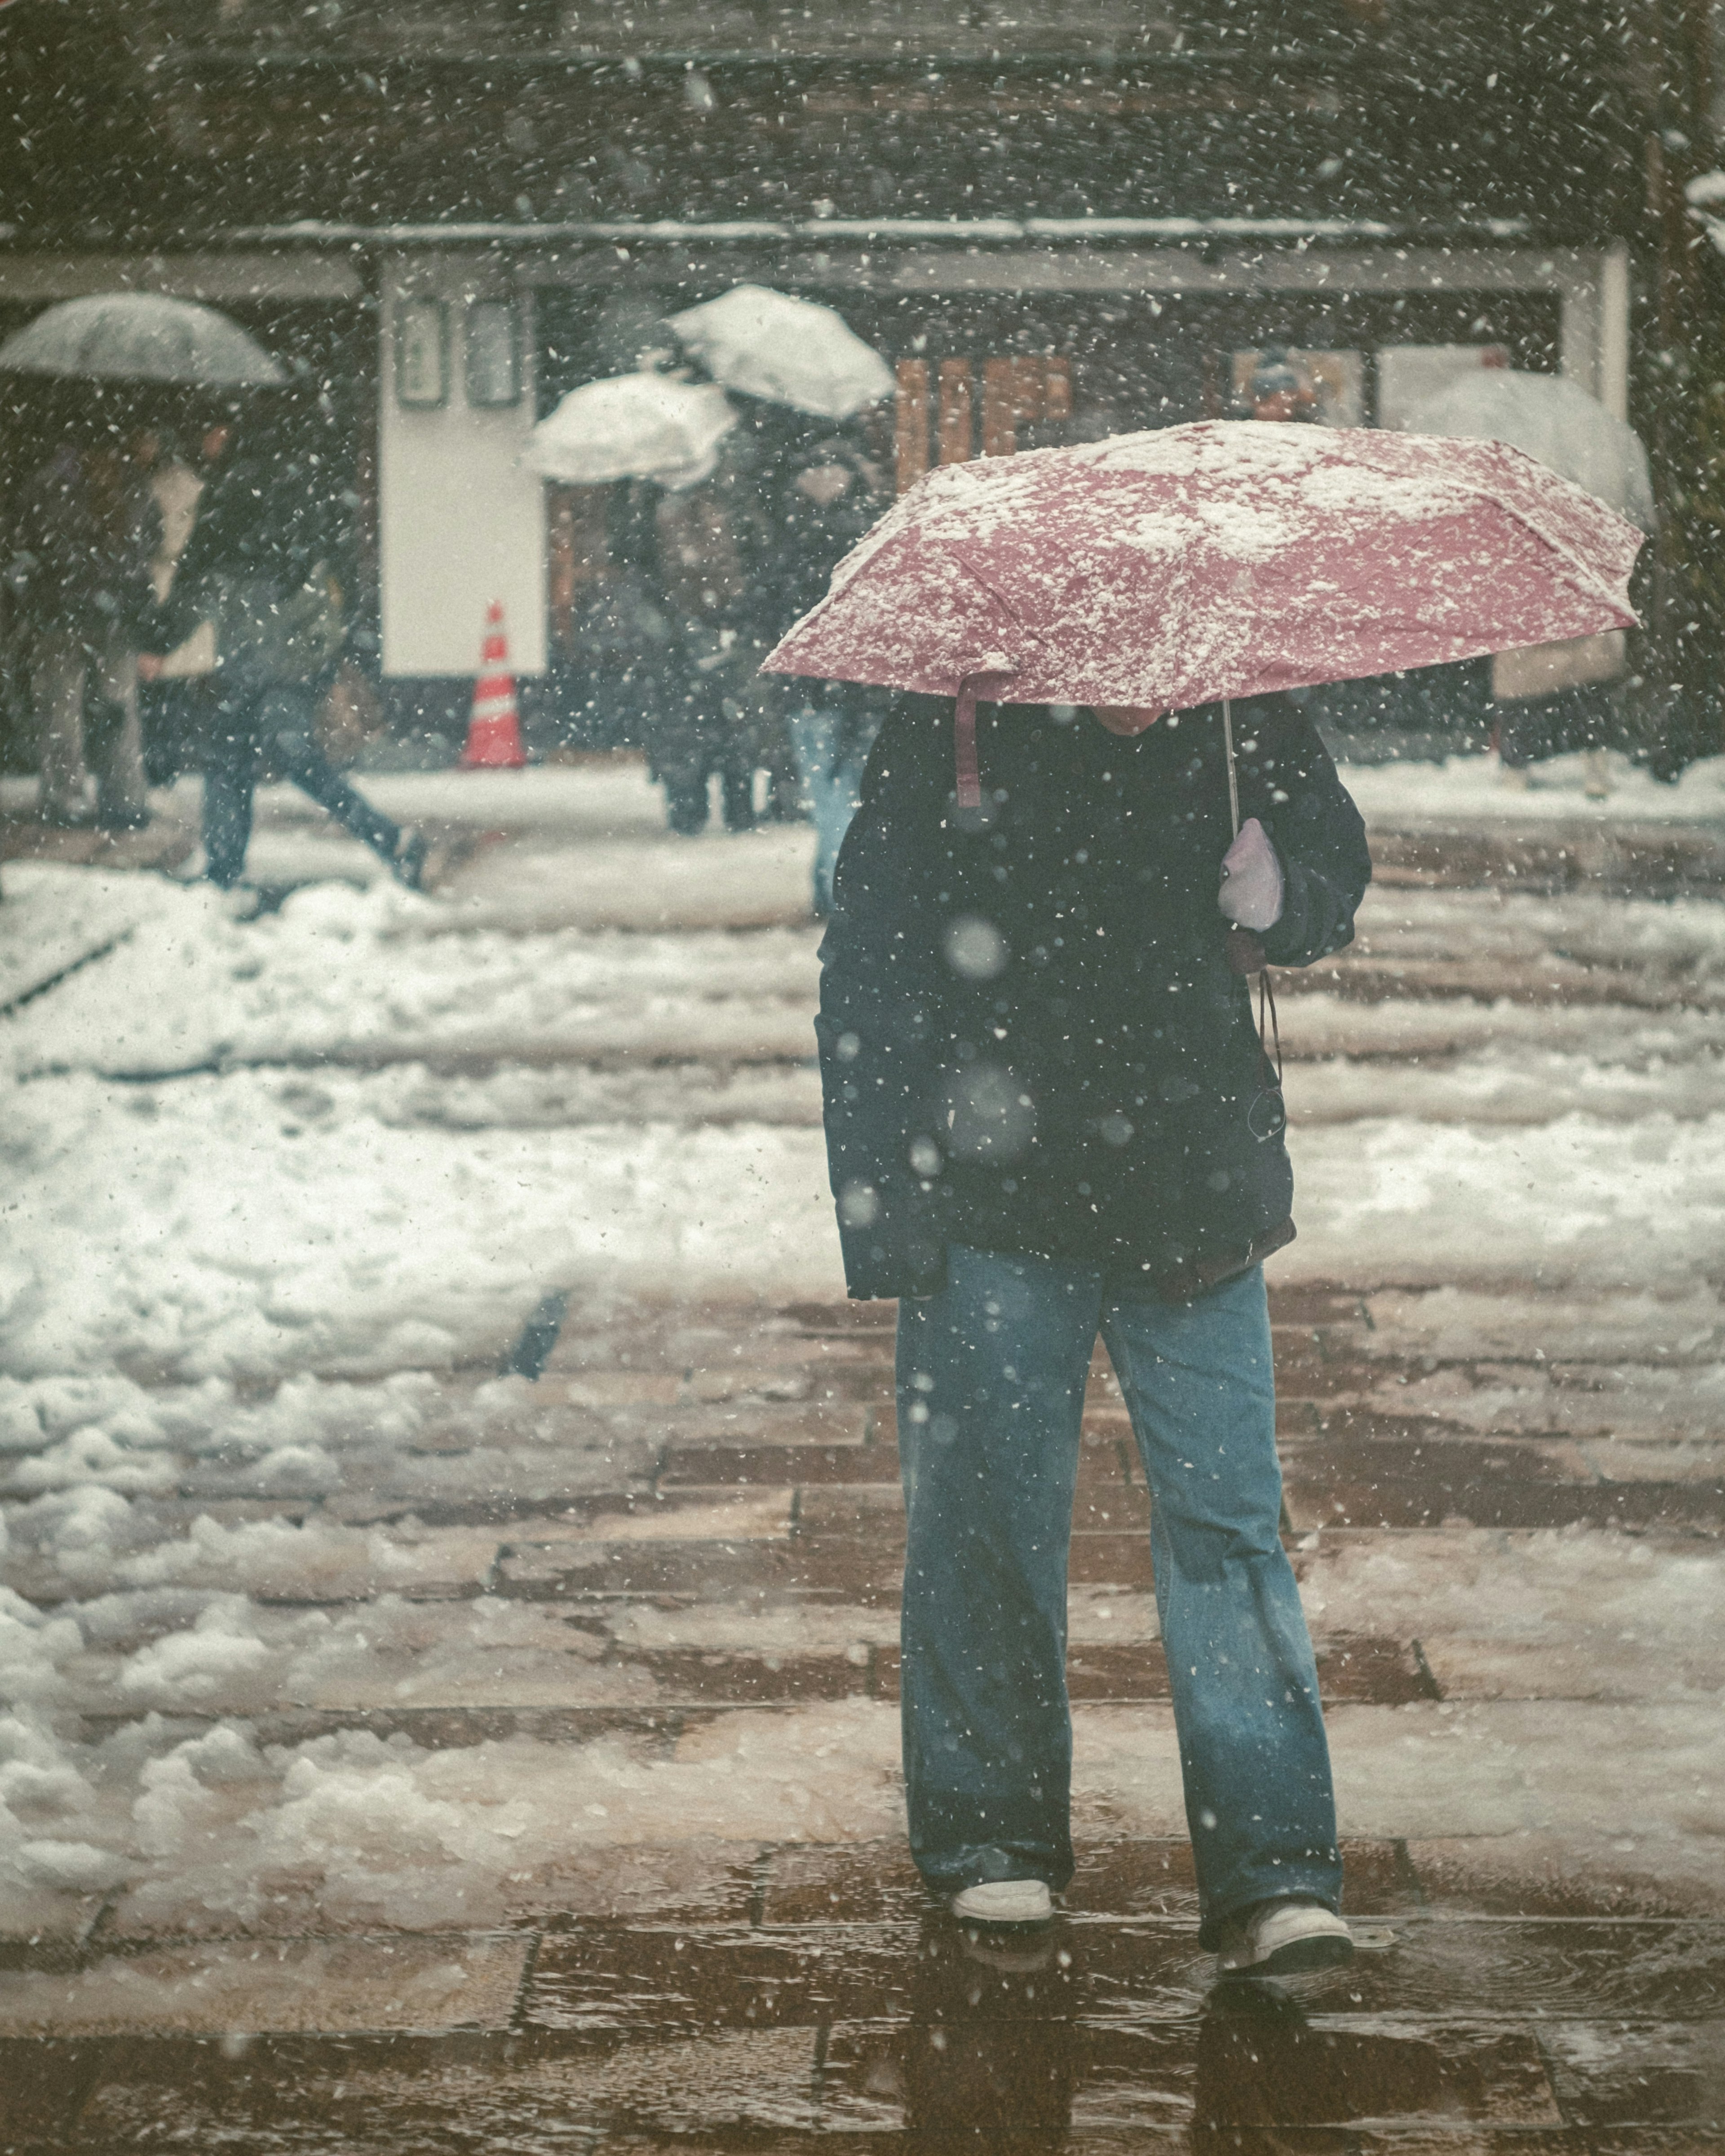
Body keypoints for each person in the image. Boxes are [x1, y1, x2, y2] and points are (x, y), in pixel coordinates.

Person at [815, 689, 1372, 1975]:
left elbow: (1331, 887)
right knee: (987, 1516)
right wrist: (886, 1205)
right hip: (998, 1191)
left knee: (1229, 1526)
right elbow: (874, 958)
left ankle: (1274, 1866)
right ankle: (993, 1841)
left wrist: (1284, 891)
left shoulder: (1246, 712)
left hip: (1196, 1183)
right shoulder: (954, 720)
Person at [143, 422, 425, 891]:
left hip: (249, 649)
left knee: (229, 759)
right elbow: (333, 565)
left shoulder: (231, 491)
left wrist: (160, 640)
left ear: (224, 434)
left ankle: (223, 869)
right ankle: (390, 840)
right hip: (296, 654)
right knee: (294, 757)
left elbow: (198, 573)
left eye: (210, 433)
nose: (206, 444)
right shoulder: (302, 482)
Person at [13, 433, 158, 830]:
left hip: (61, 612)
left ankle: (66, 798)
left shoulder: (46, 484)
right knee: (119, 708)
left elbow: (23, 544)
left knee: (60, 709)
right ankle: (125, 799)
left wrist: (40, 589)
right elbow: (150, 543)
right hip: (116, 615)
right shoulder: (135, 485)